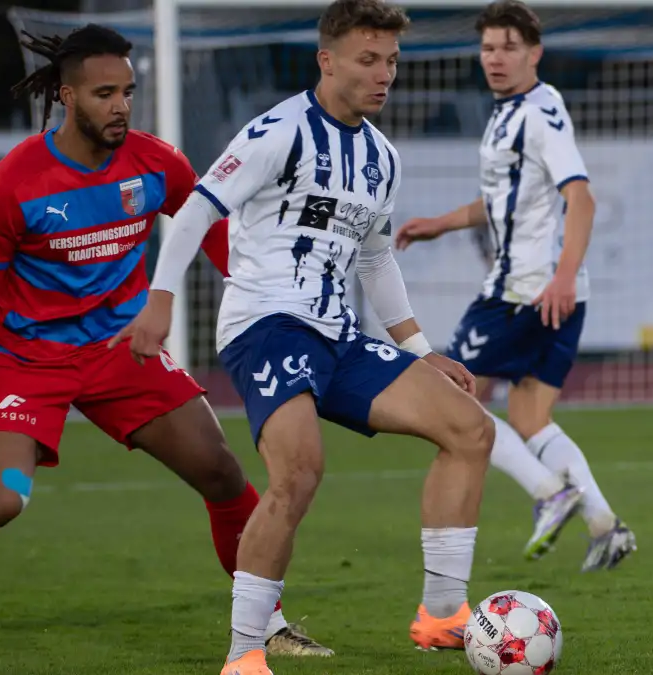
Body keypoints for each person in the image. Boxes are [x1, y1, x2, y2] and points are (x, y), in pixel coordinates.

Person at [0, 24, 332, 658]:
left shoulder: (156, 161)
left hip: (121, 349)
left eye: (128, 92)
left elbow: (208, 231)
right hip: (27, 362)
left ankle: (267, 624)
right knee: (4, 501)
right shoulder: (10, 186)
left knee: (220, 473)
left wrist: (261, 297)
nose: (121, 106)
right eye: (105, 93)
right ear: (66, 96)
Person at [110, 1, 496, 672]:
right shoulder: (277, 132)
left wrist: (419, 348)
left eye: (393, 62)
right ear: (328, 60)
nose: (385, 75)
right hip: (264, 324)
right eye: (368, 60)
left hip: (335, 335)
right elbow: (199, 209)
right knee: (299, 471)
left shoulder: (380, 157)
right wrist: (160, 299)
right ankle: (244, 654)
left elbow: (375, 259)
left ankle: (441, 613)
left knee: (471, 427)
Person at [395, 0, 636, 572]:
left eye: (508, 47)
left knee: (452, 397)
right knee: (529, 418)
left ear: (534, 52)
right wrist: (441, 224)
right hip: (556, 290)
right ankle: (605, 527)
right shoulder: (510, 113)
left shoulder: (539, 110)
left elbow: (581, 197)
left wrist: (556, 276)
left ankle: (550, 493)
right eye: (488, 48)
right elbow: (502, 200)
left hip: (524, 291)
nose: (495, 58)